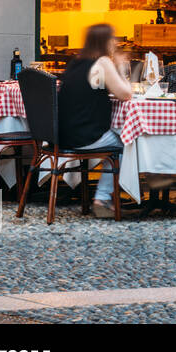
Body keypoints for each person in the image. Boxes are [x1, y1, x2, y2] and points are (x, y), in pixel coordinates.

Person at [57, 23, 133, 218]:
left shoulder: (76, 62)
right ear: (104, 41)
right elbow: (125, 94)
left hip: (65, 136)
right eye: (112, 39)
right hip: (87, 137)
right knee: (129, 142)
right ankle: (102, 198)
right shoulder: (103, 63)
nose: (115, 43)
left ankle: (105, 196)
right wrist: (122, 67)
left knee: (120, 138)